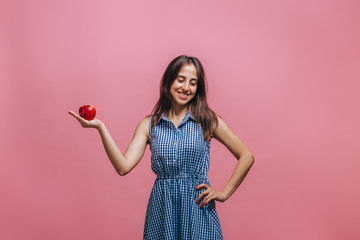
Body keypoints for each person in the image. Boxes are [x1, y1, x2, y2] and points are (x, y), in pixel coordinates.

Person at [68, 55, 255, 239]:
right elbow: (123, 167)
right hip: (162, 208)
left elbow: (246, 155)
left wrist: (223, 193)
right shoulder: (149, 125)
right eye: (180, 80)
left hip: (197, 208)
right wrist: (100, 127)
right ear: (169, 81)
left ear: (197, 88)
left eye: (193, 82)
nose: (186, 87)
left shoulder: (208, 120)